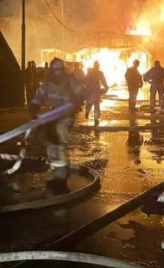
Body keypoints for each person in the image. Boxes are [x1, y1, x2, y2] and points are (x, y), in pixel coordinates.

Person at [27, 57, 86, 194]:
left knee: (59, 140)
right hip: (53, 113)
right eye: (55, 70)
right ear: (52, 70)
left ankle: (61, 177)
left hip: (66, 115)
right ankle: (57, 173)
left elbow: (81, 91)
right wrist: (34, 106)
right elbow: (40, 95)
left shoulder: (70, 80)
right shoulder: (47, 82)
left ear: (63, 70)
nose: (57, 73)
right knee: (47, 138)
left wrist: (77, 99)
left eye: (59, 70)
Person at [84, 60, 109, 125]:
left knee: (94, 105)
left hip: (94, 91)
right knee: (92, 104)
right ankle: (89, 113)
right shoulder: (92, 72)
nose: (97, 67)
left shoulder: (97, 73)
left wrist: (106, 87)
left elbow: (103, 80)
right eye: (97, 66)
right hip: (92, 91)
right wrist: (106, 87)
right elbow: (86, 80)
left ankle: (95, 118)